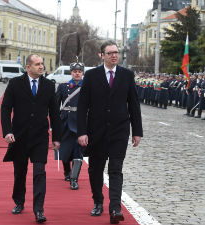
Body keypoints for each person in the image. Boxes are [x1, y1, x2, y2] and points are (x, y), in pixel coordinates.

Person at [77, 40, 143, 224]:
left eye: (116, 52)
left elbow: (134, 105)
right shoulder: (91, 76)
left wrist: (137, 131)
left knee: (116, 170)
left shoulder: (127, 75)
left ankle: (115, 208)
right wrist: (81, 132)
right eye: (110, 53)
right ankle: (98, 201)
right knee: (95, 169)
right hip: (96, 131)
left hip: (119, 131)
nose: (114, 55)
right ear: (102, 55)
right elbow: (82, 106)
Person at [1, 54, 61, 223]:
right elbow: (5, 109)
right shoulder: (15, 84)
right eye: (37, 64)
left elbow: (55, 114)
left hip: (40, 137)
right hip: (19, 136)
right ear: (28, 67)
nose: (41, 67)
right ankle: (19, 201)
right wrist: (7, 131)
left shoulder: (49, 86)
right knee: (20, 172)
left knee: (39, 173)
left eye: (42, 64)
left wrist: (57, 137)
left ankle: (39, 210)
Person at [55, 61, 84, 190]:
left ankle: (74, 179)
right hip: (65, 122)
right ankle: (67, 170)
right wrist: (54, 124)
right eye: (74, 71)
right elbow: (56, 106)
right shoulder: (63, 87)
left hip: (81, 122)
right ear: (71, 73)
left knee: (78, 150)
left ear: (82, 73)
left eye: (79, 71)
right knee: (65, 149)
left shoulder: (88, 87)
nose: (77, 73)